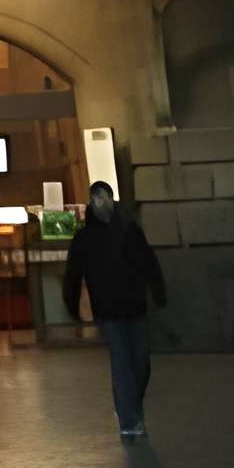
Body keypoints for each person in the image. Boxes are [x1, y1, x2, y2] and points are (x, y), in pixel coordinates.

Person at [64, 181, 168, 440]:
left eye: (104, 197)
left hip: (135, 307)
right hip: (108, 312)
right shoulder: (84, 238)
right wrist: (72, 306)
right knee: (122, 364)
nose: (101, 202)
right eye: (96, 198)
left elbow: (149, 263)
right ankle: (129, 420)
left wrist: (158, 293)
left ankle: (131, 409)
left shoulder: (130, 231)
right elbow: (73, 276)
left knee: (141, 364)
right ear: (91, 202)